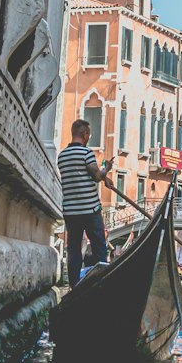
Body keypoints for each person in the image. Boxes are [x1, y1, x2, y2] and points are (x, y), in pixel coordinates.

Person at [57, 118, 114, 288]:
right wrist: (107, 168)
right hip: (90, 210)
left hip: (70, 211)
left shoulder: (62, 156)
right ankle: (101, 284)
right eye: (89, 134)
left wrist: (105, 178)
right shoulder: (86, 153)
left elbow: (81, 174)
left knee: (74, 250)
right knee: (99, 248)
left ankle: (74, 286)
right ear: (85, 134)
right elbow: (96, 175)